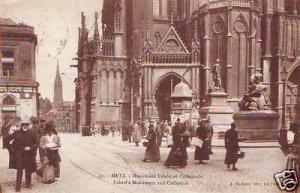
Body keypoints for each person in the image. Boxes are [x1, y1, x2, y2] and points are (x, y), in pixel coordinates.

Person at [11, 121, 38, 192]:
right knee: (19, 170)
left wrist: (30, 148)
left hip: (28, 154)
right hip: (19, 154)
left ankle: (28, 184)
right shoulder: (17, 132)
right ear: (21, 125)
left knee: (28, 169)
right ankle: (18, 186)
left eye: (26, 125)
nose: (25, 126)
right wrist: (14, 150)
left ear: (28, 125)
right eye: (23, 125)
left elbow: (36, 144)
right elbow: (10, 141)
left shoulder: (32, 132)